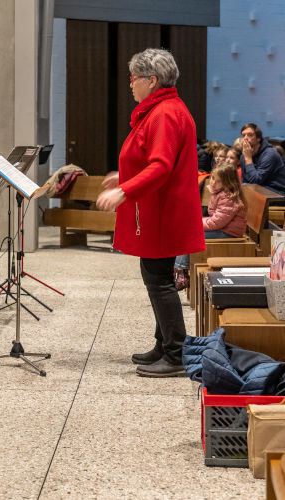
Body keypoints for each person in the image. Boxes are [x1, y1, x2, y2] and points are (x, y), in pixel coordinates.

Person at [97, 48, 204, 378]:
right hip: (161, 210)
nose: (130, 84)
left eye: (134, 78)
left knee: (159, 282)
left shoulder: (164, 114)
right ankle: (164, 344)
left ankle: (175, 354)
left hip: (163, 213)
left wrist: (124, 190)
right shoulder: (164, 109)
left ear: (151, 80)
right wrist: (124, 176)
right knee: (157, 278)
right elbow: (150, 160)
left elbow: (160, 167)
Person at [174, 162, 246, 289]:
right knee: (186, 230)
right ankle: (180, 269)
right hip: (223, 229)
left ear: (228, 182)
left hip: (228, 234)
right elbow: (215, 219)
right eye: (212, 178)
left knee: (190, 235)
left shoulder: (228, 197)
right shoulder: (220, 192)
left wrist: (195, 223)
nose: (212, 182)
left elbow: (216, 222)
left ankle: (182, 272)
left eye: (217, 181)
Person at [240, 123, 285, 194]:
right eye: (243, 135)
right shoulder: (244, 155)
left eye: (250, 135)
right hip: (259, 190)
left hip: (277, 192)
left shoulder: (269, 154)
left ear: (258, 138)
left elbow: (255, 181)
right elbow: (245, 181)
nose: (245, 138)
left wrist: (248, 159)